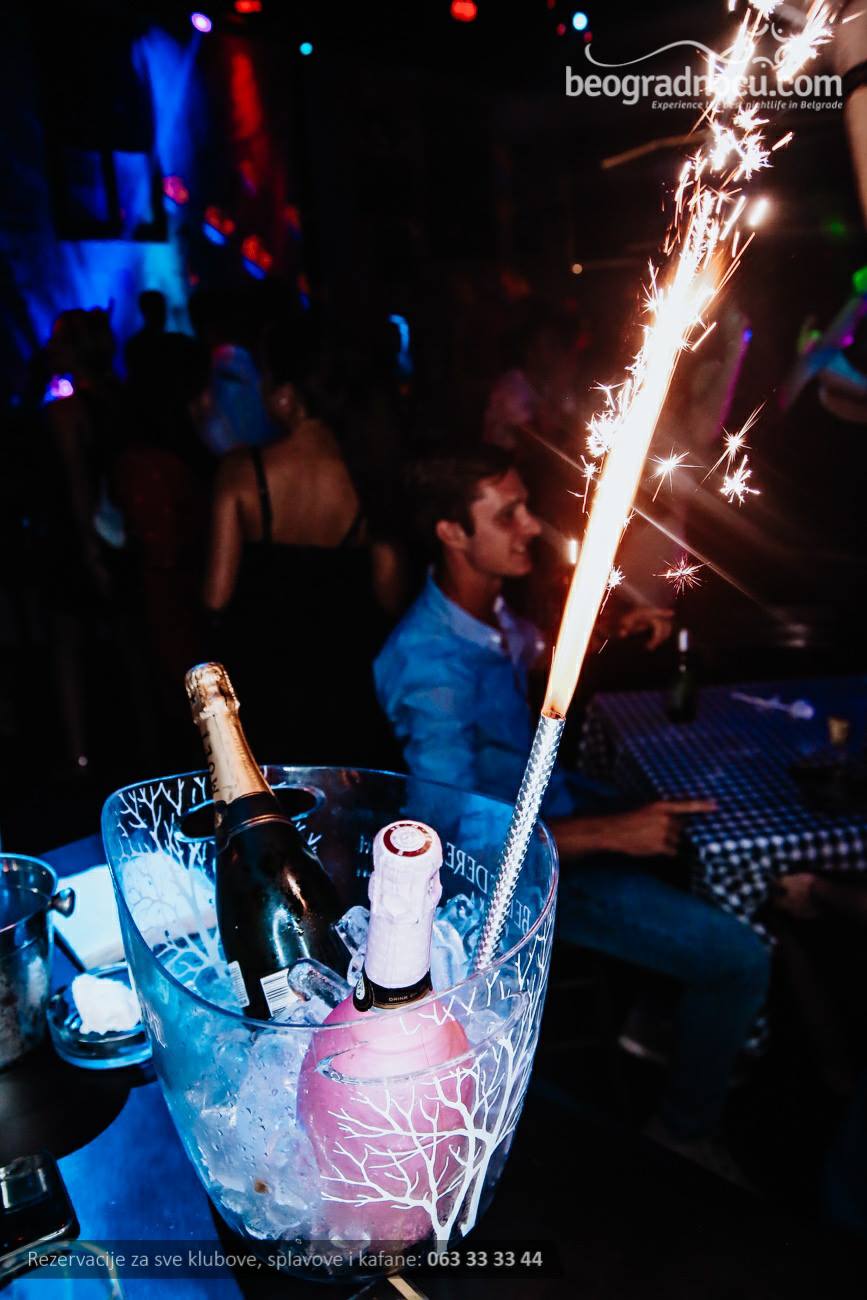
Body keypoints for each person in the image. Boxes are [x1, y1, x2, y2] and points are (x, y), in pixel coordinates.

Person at [374, 445, 770, 1155]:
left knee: (694, 808)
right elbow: (451, 841)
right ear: (452, 533)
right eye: (508, 515)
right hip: (521, 874)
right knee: (741, 959)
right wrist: (615, 833)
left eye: (526, 507)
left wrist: (609, 631)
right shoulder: (428, 666)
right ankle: (684, 1137)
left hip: (552, 804)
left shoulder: (484, 611)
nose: (531, 525)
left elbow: (527, 650)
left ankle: (656, 1015)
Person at [202, 333, 404, 765]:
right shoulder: (368, 474)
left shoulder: (241, 471)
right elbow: (390, 596)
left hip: (265, 675)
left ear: (287, 397)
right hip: (342, 679)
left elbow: (216, 596)